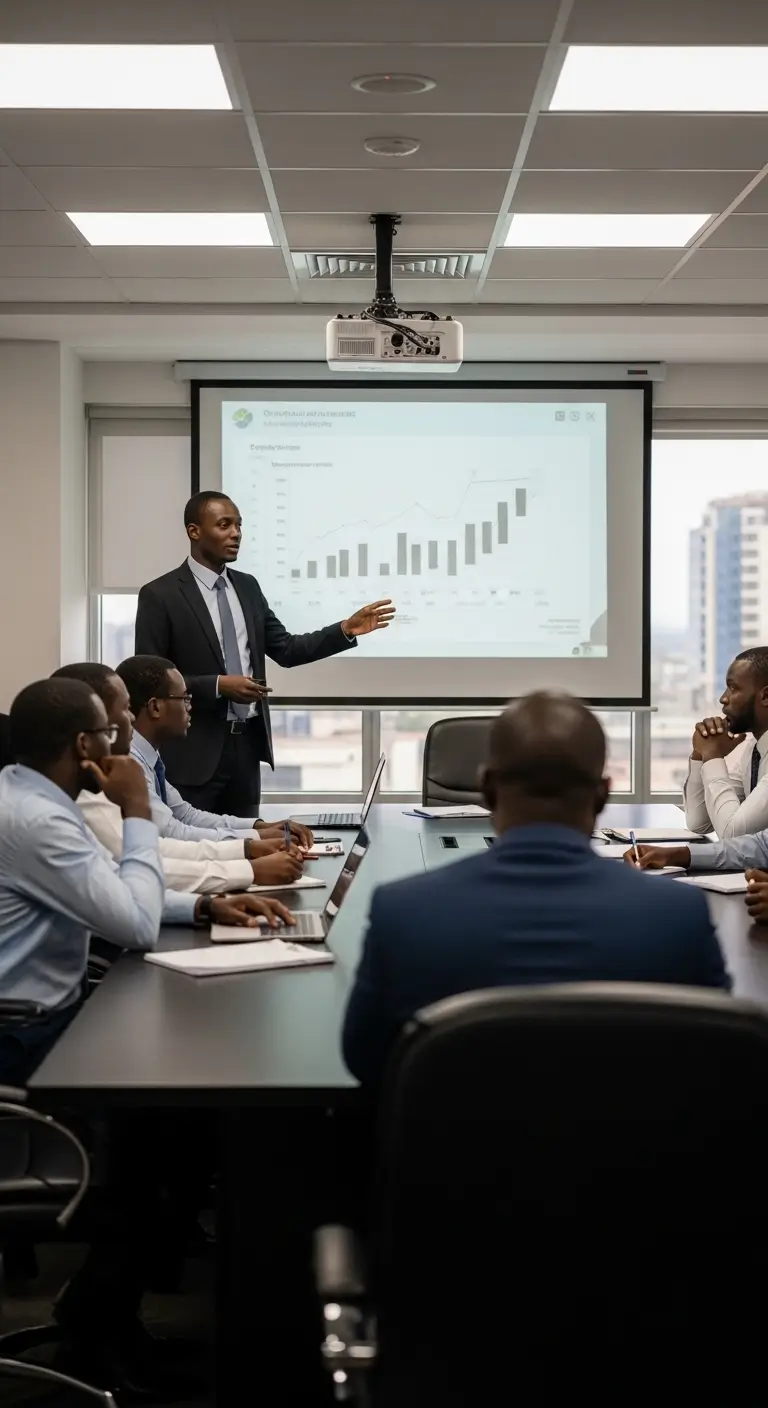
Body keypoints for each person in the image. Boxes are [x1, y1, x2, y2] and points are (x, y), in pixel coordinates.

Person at [342, 691, 730, 1087]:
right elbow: (718, 1064)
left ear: (486, 788)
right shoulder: (680, 916)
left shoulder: (403, 912)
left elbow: (365, 1061)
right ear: (602, 795)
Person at [134, 490, 395, 813]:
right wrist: (218, 685)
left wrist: (345, 630)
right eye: (224, 525)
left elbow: (286, 648)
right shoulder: (160, 595)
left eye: (239, 526)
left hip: (246, 748)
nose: (235, 534)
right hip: (192, 755)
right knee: (194, 848)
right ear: (194, 531)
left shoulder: (248, 587)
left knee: (248, 848)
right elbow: (150, 680)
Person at [53, 661, 303, 892]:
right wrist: (249, 859)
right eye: (184, 698)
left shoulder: (145, 759)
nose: (130, 717)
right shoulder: (123, 769)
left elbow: (182, 818)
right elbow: (158, 847)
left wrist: (256, 832)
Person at [115, 653, 306, 879]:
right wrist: (251, 844)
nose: (190, 706)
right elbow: (173, 834)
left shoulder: (149, 758)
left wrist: (260, 827)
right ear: (155, 707)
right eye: (184, 698)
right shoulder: (130, 763)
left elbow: (187, 815)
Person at [683, 647, 768, 839]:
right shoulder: (753, 750)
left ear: (765, 696)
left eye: (733, 688)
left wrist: (712, 755)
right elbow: (699, 823)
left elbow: (732, 836)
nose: (723, 698)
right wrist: (701, 754)